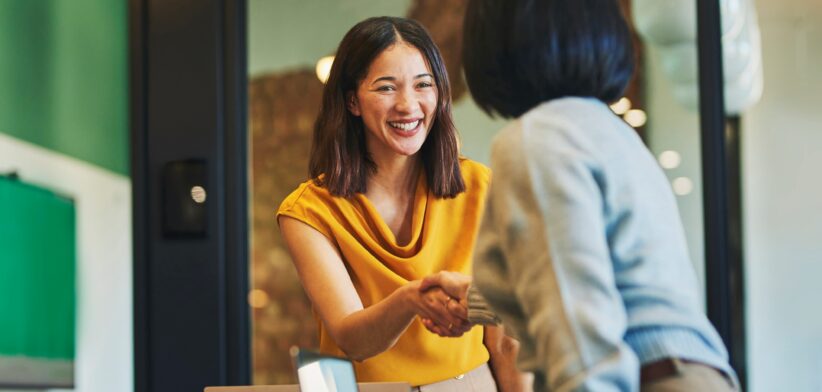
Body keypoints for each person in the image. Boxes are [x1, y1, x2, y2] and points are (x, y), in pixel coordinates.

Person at [420, 0, 740, 391]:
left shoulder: (538, 141)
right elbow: (604, 278)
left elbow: (579, 334)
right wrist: (474, 301)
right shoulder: (610, 131)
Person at [277, 16, 522, 391]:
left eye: (424, 85)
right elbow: (352, 338)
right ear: (352, 101)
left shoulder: (480, 187)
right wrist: (412, 299)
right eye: (386, 88)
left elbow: (504, 340)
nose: (408, 105)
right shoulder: (308, 212)